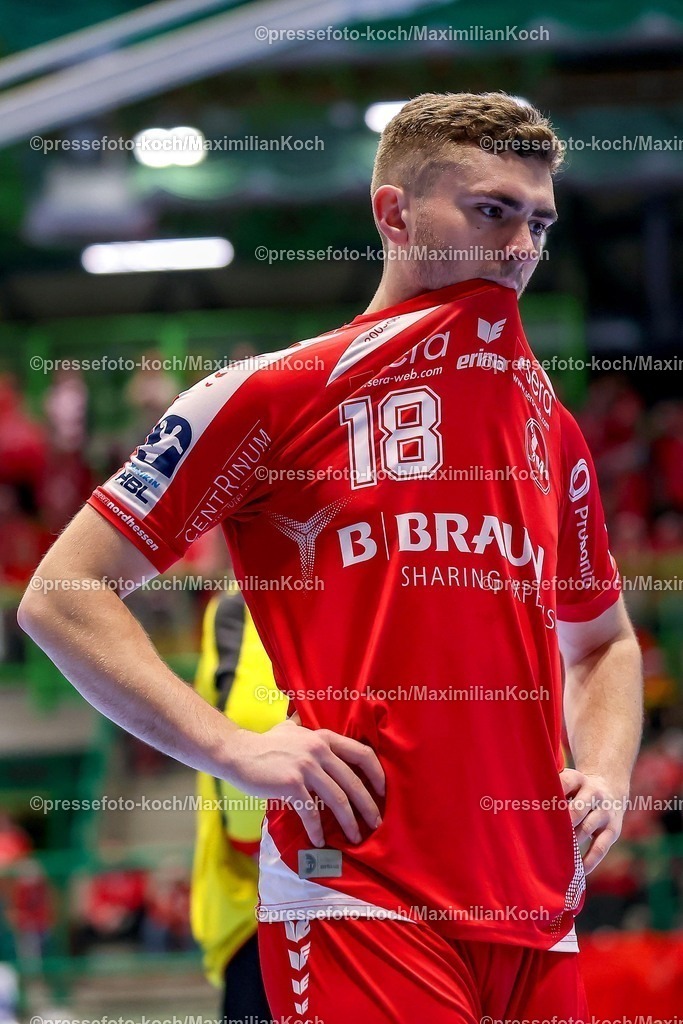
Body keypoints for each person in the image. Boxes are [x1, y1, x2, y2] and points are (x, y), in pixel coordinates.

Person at [18, 92, 643, 1021]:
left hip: (534, 902)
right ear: (393, 213)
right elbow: (62, 593)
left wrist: (604, 774)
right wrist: (229, 746)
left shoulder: (550, 431)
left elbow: (602, 643)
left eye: (539, 221)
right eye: (491, 210)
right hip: (357, 890)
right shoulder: (271, 396)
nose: (520, 246)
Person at [191, 589, 287, 1021]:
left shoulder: (242, 607)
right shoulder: (242, 608)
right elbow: (250, 722)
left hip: (273, 902)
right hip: (260, 907)